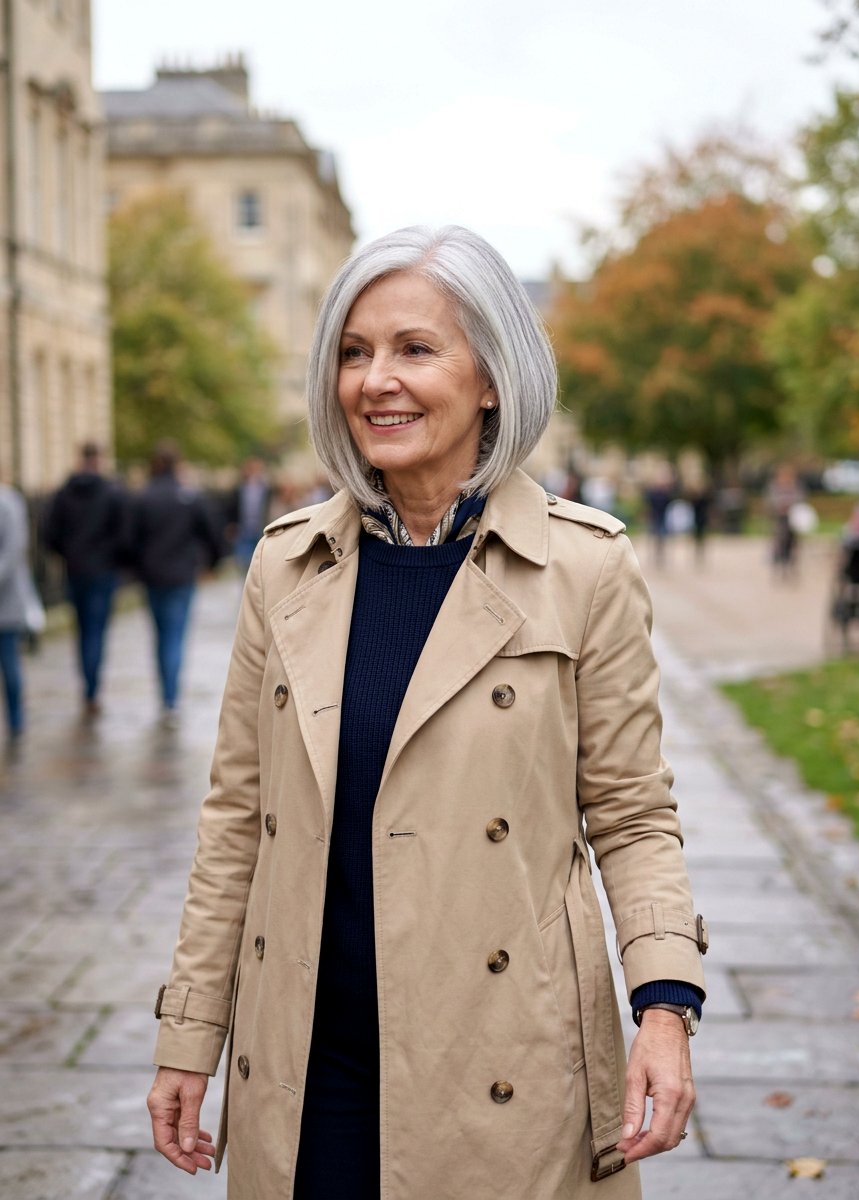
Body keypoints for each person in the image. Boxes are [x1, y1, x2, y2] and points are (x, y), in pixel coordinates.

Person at [147, 227, 707, 1199]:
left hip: (505, 1061)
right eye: (354, 354)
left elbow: (629, 813)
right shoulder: (285, 564)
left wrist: (662, 1008)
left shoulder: (582, 566)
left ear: (491, 377)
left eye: (413, 349)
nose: (376, 381)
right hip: (308, 1062)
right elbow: (237, 822)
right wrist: (188, 1033)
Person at [130, 441, 224, 724]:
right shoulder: (188, 496)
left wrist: (137, 568)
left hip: (153, 577)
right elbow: (212, 532)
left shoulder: (144, 497)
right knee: (175, 635)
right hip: (182, 576)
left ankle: (166, 693)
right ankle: (170, 697)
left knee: (160, 635)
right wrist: (211, 563)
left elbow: (130, 539)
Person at [43, 442, 128, 716]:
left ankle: (88, 685)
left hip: (76, 570)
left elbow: (49, 533)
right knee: (96, 631)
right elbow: (124, 534)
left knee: (82, 630)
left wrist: (68, 553)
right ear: (99, 459)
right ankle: (92, 688)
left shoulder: (64, 493)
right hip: (102, 572)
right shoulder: (111, 492)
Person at [0, 481, 42, 743]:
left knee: (9, 662)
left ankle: (16, 721)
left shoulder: (9, 503)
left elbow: (13, 552)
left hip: (6, 601)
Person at [225, 457, 272, 574]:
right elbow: (231, 509)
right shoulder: (239, 489)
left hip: (261, 529)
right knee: (243, 562)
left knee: (261, 561)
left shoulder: (267, 489)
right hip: (243, 530)